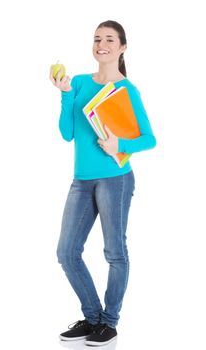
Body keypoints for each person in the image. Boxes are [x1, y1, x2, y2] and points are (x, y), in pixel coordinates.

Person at [49, 20, 156, 347]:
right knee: (67, 252)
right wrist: (66, 95)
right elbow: (67, 133)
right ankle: (92, 316)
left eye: (109, 39)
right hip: (81, 181)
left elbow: (149, 139)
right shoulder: (79, 83)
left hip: (116, 180)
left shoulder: (126, 90)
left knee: (114, 252)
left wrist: (119, 145)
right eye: (97, 39)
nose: (101, 44)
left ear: (122, 47)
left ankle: (108, 324)